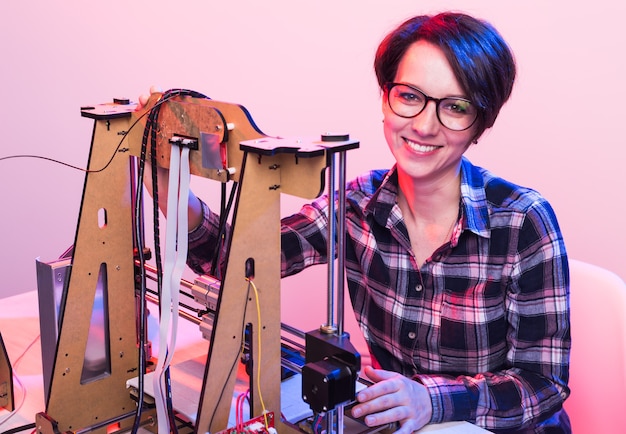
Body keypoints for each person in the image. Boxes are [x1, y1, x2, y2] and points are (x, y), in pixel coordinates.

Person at [142, 11, 571, 433]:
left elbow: (543, 384)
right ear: (385, 98)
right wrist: (169, 189)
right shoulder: (356, 203)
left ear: (481, 122)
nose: (423, 125)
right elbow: (240, 264)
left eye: (455, 107)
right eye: (409, 96)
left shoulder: (524, 221)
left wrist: (431, 399)